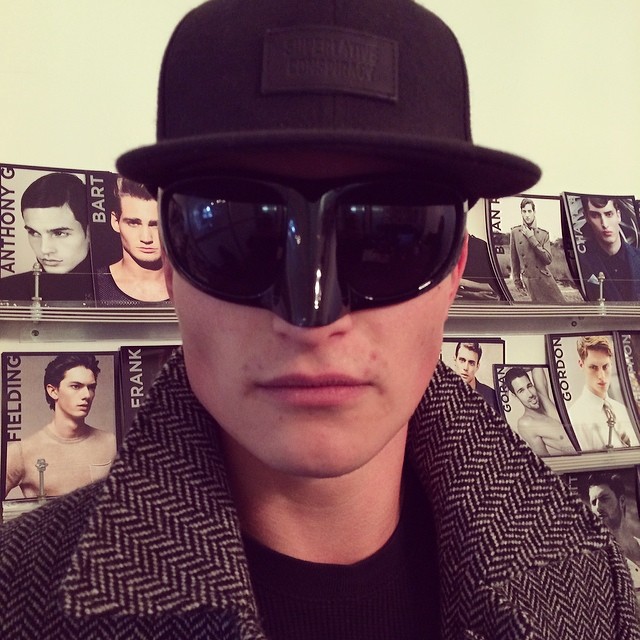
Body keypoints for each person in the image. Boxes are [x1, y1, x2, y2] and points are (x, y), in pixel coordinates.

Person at [2, 1, 639, 638]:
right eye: (241, 233)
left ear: (454, 270)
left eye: (391, 236)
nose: (312, 318)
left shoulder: (589, 580)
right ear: (169, 264)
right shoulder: (17, 601)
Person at [4, 353, 116, 499]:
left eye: (91, 387)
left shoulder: (111, 443)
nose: (86, 395)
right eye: (76, 386)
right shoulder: (22, 452)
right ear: (53, 391)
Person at [0, 172, 94, 303]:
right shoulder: (5, 290)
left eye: (59, 233)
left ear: (90, 232)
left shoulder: (115, 289)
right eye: (34, 233)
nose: (44, 249)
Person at [94, 177, 170, 305]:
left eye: (156, 225)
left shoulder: (191, 287)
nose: (146, 238)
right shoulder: (95, 285)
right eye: (134, 223)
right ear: (115, 221)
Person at [568, 335, 640, 451]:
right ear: (581, 365)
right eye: (593, 367)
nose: (601, 376)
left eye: (605, 366)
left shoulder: (623, 410)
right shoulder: (574, 418)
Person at [587, 472, 640, 608]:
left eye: (604, 499)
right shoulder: (596, 563)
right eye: (593, 502)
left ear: (621, 501)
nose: (597, 507)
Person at [503, 366, 575, 457]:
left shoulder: (543, 397)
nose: (530, 394)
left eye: (529, 386)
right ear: (515, 395)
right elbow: (545, 459)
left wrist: (517, 366)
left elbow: (536, 366)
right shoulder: (526, 423)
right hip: (584, 457)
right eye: (521, 391)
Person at [579, 195, 640, 301]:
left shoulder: (637, 257)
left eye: (609, 214)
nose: (605, 224)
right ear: (587, 218)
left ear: (618, 216)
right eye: (595, 215)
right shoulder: (581, 262)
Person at [509, 198, 565, 303]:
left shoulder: (544, 234)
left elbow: (548, 260)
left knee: (560, 309)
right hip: (529, 281)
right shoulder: (515, 233)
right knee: (539, 310)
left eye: (529, 211)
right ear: (521, 213)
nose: (527, 215)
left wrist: (531, 238)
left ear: (534, 212)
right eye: (524, 211)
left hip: (546, 281)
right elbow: (514, 260)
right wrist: (517, 283)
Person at [453, 341, 498, 410]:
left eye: (471, 363)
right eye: (462, 360)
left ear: (477, 366)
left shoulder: (492, 397)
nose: (466, 368)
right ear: (455, 361)